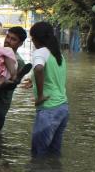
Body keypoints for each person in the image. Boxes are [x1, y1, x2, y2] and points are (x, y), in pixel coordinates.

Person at [29, 21, 69, 156]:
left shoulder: (40, 52)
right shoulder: (58, 55)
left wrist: (40, 96)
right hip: (62, 108)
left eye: (32, 38)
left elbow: (39, 68)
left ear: (35, 39)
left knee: (38, 155)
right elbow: (51, 76)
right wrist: (32, 79)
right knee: (54, 153)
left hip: (49, 109)